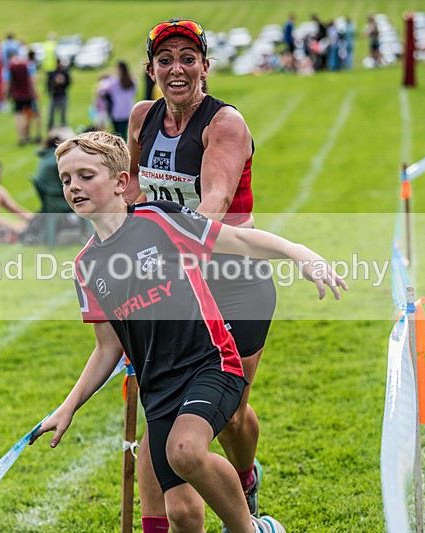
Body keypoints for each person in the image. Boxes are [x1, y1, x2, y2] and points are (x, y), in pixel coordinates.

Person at [31, 130, 347, 533]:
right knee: (180, 512)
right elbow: (106, 349)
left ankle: (252, 530)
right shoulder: (85, 265)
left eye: (85, 175)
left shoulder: (159, 219)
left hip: (211, 364)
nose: (73, 186)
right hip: (159, 389)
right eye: (65, 179)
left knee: (185, 451)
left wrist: (300, 254)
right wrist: (68, 406)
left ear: (120, 182)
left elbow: (238, 240)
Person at [125, 18, 278, 533]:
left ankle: (243, 480)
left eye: (188, 58)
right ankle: (180, 517)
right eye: (164, 59)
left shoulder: (224, 123)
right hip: (177, 283)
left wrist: (166, 250)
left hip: (235, 282)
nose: (176, 68)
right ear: (150, 69)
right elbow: (134, 198)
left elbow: (212, 206)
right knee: (166, 410)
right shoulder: (142, 119)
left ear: (205, 67)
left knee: (230, 415)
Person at [101, 61, 137, 139]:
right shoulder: (133, 81)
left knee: (118, 134)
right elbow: (134, 94)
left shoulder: (114, 82)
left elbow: (103, 91)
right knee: (126, 132)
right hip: (128, 110)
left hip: (116, 111)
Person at [8, 52, 35, 145]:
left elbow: (8, 81)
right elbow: (30, 80)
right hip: (27, 95)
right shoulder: (25, 66)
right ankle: (27, 134)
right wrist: (34, 92)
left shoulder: (11, 68)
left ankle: (21, 136)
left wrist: (7, 93)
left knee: (19, 116)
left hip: (17, 96)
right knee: (28, 116)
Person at [47, 58, 71, 129]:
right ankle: (50, 126)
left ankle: (63, 126)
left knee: (63, 113)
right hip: (54, 95)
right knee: (51, 112)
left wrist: (62, 81)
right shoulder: (52, 73)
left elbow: (68, 83)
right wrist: (55, 82)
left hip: (62, 95)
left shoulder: (65, 73)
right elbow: (48, 84)